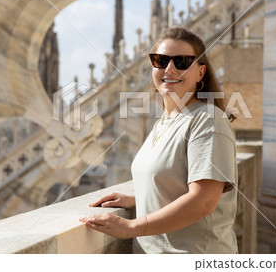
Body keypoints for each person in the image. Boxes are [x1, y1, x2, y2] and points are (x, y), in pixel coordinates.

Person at [79, 27, 238, 254]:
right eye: (160, 60)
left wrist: (131, 226)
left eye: (182, 61)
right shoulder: (165, 121)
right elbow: (176, 181)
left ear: (201, 73)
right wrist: (139, 198)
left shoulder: (207, 120)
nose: (169, 69)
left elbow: (203, 201)